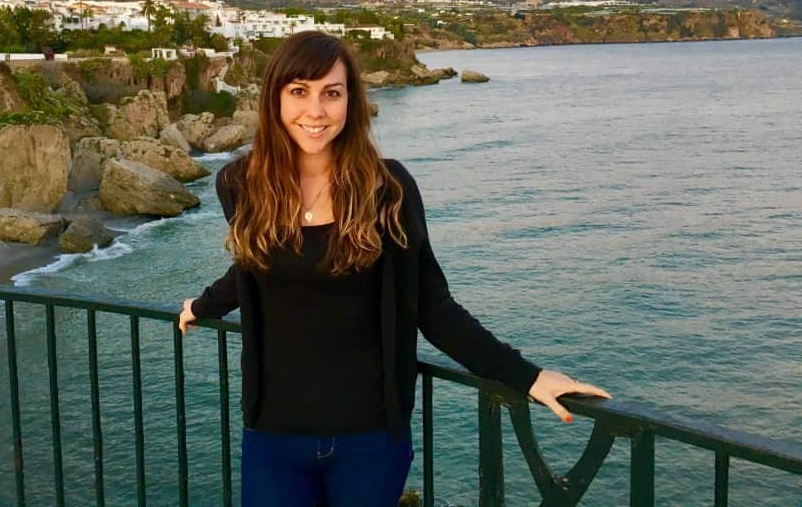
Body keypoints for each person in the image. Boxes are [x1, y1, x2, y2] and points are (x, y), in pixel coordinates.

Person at [179, 31, 610, 507]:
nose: (316, 111)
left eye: (332, 93)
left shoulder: (388, 189)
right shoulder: (241, 184)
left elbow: (432, 305)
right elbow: (253, 265)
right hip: (273, 434)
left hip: (370, 438)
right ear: (275, 99)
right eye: (299, 91)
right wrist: (203, 305)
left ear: (352, 101)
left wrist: (526, 376)